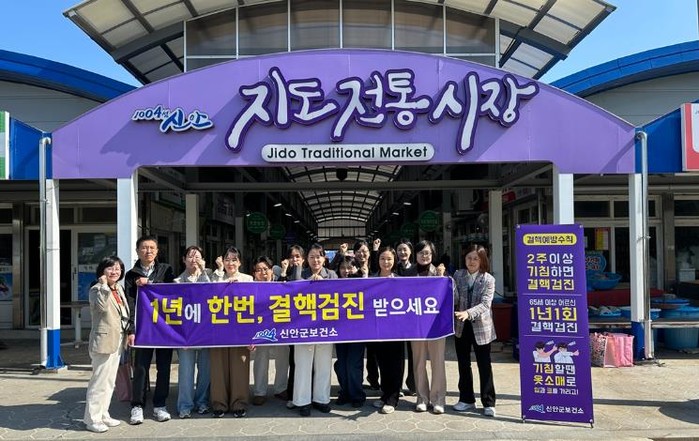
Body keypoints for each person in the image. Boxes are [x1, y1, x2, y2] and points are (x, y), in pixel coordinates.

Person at [124, 235, 176, 425]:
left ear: (157, 251)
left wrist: (150, 284)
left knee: (164, 367)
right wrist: (131, 330)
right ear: (138, 251)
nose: (148, 251)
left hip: (164, 328)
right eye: (144, 248)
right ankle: (137, 406)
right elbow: (130, 304)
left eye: (152, 248)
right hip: (143, 328)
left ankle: (160, 405)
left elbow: (172, 293)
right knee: (141, 367)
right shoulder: (131, 275)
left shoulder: (166, 270)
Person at [83, 256, 130, 433]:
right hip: (103, 341)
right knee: (99, 381)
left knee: (109, 381)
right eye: (110, 268)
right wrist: (103, 285)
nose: (114, 271)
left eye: (118, 268)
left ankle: (103, 414)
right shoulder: (96, 289)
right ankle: (92, 419)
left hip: (117, 340)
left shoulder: (118, 288)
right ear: (102, 271)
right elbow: (100, 308)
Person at [453, 244, 498, 417]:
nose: (471, 261)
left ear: (482, 261)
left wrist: (468, 313)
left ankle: (489, 402)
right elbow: (454, 298)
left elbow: (486, 304)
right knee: (463, 364)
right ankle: (466, 399)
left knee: (484, 364)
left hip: (481, 328)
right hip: (461, 326)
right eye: (469, 258)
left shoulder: (488, 279)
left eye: (475, 259)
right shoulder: (458, 275)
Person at [209, 246, 254, 418]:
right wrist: (221, 278)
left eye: (234, 260)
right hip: (218, 331)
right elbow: (207, 295)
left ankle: (239, 403)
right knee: (218, 368)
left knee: (239, 367)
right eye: (227, 259)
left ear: (240, 262)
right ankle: (219, 403)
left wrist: (253, 336)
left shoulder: (248, 279)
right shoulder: (215, 277)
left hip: (241, 331)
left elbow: (254, 307)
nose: (230, 263)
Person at [293, 243, 337, 416]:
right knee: (302, 365)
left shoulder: (332, 275)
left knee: (324, 364)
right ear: (307, 259)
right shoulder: (300, 274)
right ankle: (302, 401)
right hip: (303, 327)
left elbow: (340, 296)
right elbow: (291, 294)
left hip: (325, 326)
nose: (315, 260)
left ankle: (321, 399)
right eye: (311, 257)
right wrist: (307, 283)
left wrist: (324, 285)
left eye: (318, 257)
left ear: (324, 259)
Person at [173, 245, 212, 419]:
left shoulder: (209, 276)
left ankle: (202, 402)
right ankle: (185, 405)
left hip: (206, 333)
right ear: (184, 260)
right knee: (186, 372)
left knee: (205, 371)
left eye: (197, 256)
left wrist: (203, 272)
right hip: (185, 335)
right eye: (190, 256)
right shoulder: (176, 282)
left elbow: (212, 294)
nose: (194, 260)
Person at [410, 240, 448, 414]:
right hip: (415, 325)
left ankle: (438, 399)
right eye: (421, 253)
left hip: (436, 326)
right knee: (418, 362)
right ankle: (422, 398)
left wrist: (442, 277)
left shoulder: (441, 272)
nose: (424, 256)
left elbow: (450, 295)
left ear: (432, 255)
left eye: (427, 253)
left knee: (437, 362)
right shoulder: (408, 274)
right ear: (415, 255)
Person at [251, 256, 290, 406]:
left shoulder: (280, 285)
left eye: (265, 269)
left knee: (283, 356)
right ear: (254, 273)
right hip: (260, 328)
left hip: (280, 327)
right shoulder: (251, 288)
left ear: (272, 271)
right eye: (259, 270)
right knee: (261, 358)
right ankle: (259, 391)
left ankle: (280, 388)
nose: (263, 273)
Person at [371, 246, 404, 415]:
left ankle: (393, 398)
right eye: (383, 258)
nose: (386, 262)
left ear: (395, 261)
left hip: (396, 329)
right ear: (378, 260)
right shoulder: (370, 280)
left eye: (389, 259)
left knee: (395, 363)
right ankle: (385, 394)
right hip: (377, 328)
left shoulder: (401, 280)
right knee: (382, 362)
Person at [333, 256, 366, 408]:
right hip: (339, 331)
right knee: (341, 364)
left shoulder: (363, 284)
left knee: (353, 364)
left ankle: (357, 395)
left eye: (350, 267)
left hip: (358, 331)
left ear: (356, 268)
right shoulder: (332, 285)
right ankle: (345, 392)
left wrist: (364, 277)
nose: (346, 271)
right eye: (342, 268)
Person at [278, 244, 305, 408]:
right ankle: (293, 394)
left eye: (297, 256)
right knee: (294, 361)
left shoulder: (309, 275)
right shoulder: (285, 276)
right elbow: (277, 294)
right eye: (292, 256)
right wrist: (283, 272)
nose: (295, 260)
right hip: (292, 327)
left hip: (308, 326)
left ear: (303, 259)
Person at [395, 238, 417, 396]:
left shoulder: (417, 269)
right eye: (399, 249)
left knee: (414, 352)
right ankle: (397, 386)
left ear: (410, 251)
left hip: (412, 315)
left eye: (405, 249)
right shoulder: (392, 268)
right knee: (397, 354)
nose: (402, 252)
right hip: (395, 317)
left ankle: (413, 384)